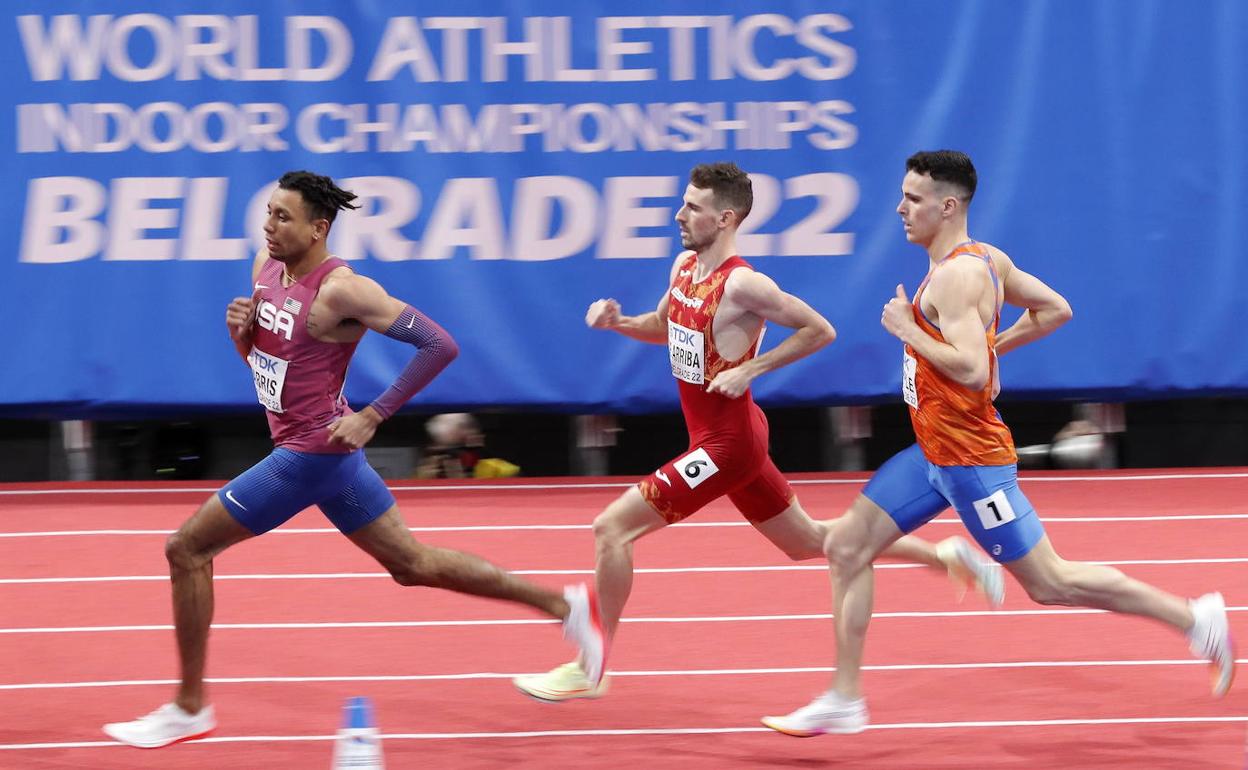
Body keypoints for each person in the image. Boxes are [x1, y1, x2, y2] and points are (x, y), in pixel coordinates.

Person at [102, 171, 605, 749]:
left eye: (283, 217)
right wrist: (240, 338)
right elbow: (273, 377)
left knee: (186, 548)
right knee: (412, 565)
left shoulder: (342, 289)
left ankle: (189, 707)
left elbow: (440, 344)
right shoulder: (264, 269)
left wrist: (375, 413)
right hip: (320, 452)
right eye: (268, 213)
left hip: (311, 452)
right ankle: (563, 605)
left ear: (319, 227)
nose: (269, 226)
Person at [762, 150, 1235, 737]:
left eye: (912, 198)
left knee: (1050, 583)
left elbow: (971, 373)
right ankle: (845, 698)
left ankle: (1195, 618)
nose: (900, 209)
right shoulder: (987, 259)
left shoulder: (959, 276)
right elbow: (1053, 310)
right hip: (931, 454)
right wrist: (991, 346)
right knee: (846, 549)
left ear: (948, 205)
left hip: (972, 464)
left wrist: (912, 331)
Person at [513, 161, 1004, 702]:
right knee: (810, 542)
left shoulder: (745, 283)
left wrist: (752, 368)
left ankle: (591, 667)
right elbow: (665, 326)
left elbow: (820, 329)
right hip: (724, 436)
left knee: (612, 529)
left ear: (725, 218)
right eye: (683, 203)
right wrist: (621, 323)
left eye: (692, 208)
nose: (679, 215)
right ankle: (947, 557)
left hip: (729, 445)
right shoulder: (683, 266)